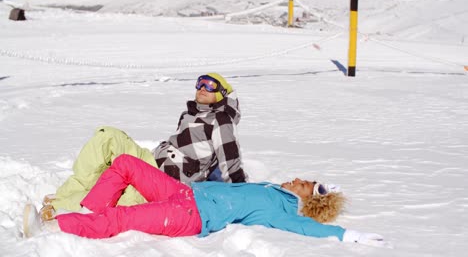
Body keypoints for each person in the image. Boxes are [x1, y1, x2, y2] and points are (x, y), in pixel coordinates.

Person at [24, 154, 388, 247]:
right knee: (124, 165)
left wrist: (346, 235)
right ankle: (87, 213)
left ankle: (52, 227)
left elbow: (305, 228)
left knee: (125, 218)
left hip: (192, 216)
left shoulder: (284, 209)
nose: (297, 179)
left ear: (310, 201)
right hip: (186, 194)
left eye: (305, 184)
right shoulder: (271, 189)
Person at [42, 73, 248, 219]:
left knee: (124, 196)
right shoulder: (189, 115)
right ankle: (69, 192)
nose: (203, 87)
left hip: (167, 180)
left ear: (221, 93)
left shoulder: (222, 120)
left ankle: (66, 208)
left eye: (211, 85)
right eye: (200, 83)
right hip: (150, 160)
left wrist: (244, 195)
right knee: (107, 136)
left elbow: (229, 160)